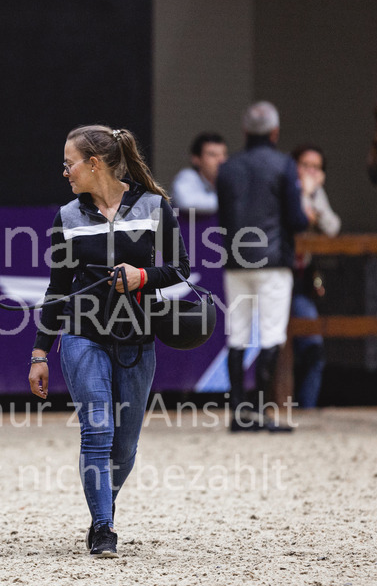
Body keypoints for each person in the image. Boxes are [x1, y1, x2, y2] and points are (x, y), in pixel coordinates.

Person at [28, 125, 189, 558]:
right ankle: (103, 527)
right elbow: (57, 289)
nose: (65, 172)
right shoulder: (67, 217)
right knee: (97, 430)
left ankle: (104, 504)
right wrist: (40, 351)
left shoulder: (153, 207)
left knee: (125, 444)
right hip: (82, 335)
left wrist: (142, 276)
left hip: (138, 336)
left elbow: (180, 268)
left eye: (70, 164)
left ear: (94, 164)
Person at [216, 102, 308, 432]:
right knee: (271, 334)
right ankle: (262, 412)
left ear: (245, 131)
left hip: (236, 262)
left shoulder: (227, 168)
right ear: (275, 132)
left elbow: (223, 216)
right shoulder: (284, 165)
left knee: (237, 335)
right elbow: (297, 220)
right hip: (273, 262)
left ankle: (238, 413)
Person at [290, 144, 341, 408]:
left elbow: (332, 227)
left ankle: (306, 410)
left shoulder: (315, 192)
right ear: (293, 166)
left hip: (300, 282)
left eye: (316, 167)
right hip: (273, 280)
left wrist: (312, 194)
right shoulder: (284, 187)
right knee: (271, 350)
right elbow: (298, 219)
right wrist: (306, 193)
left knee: (313, 349)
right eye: (305, 165)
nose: (310, 171)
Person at [171, 132, 228, 213]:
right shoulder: (187, 176)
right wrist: (229, 200)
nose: (221, 160)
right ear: (196, 159)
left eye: (224, 154)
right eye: (213, 155)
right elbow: (187, 202)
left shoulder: (230, 179)